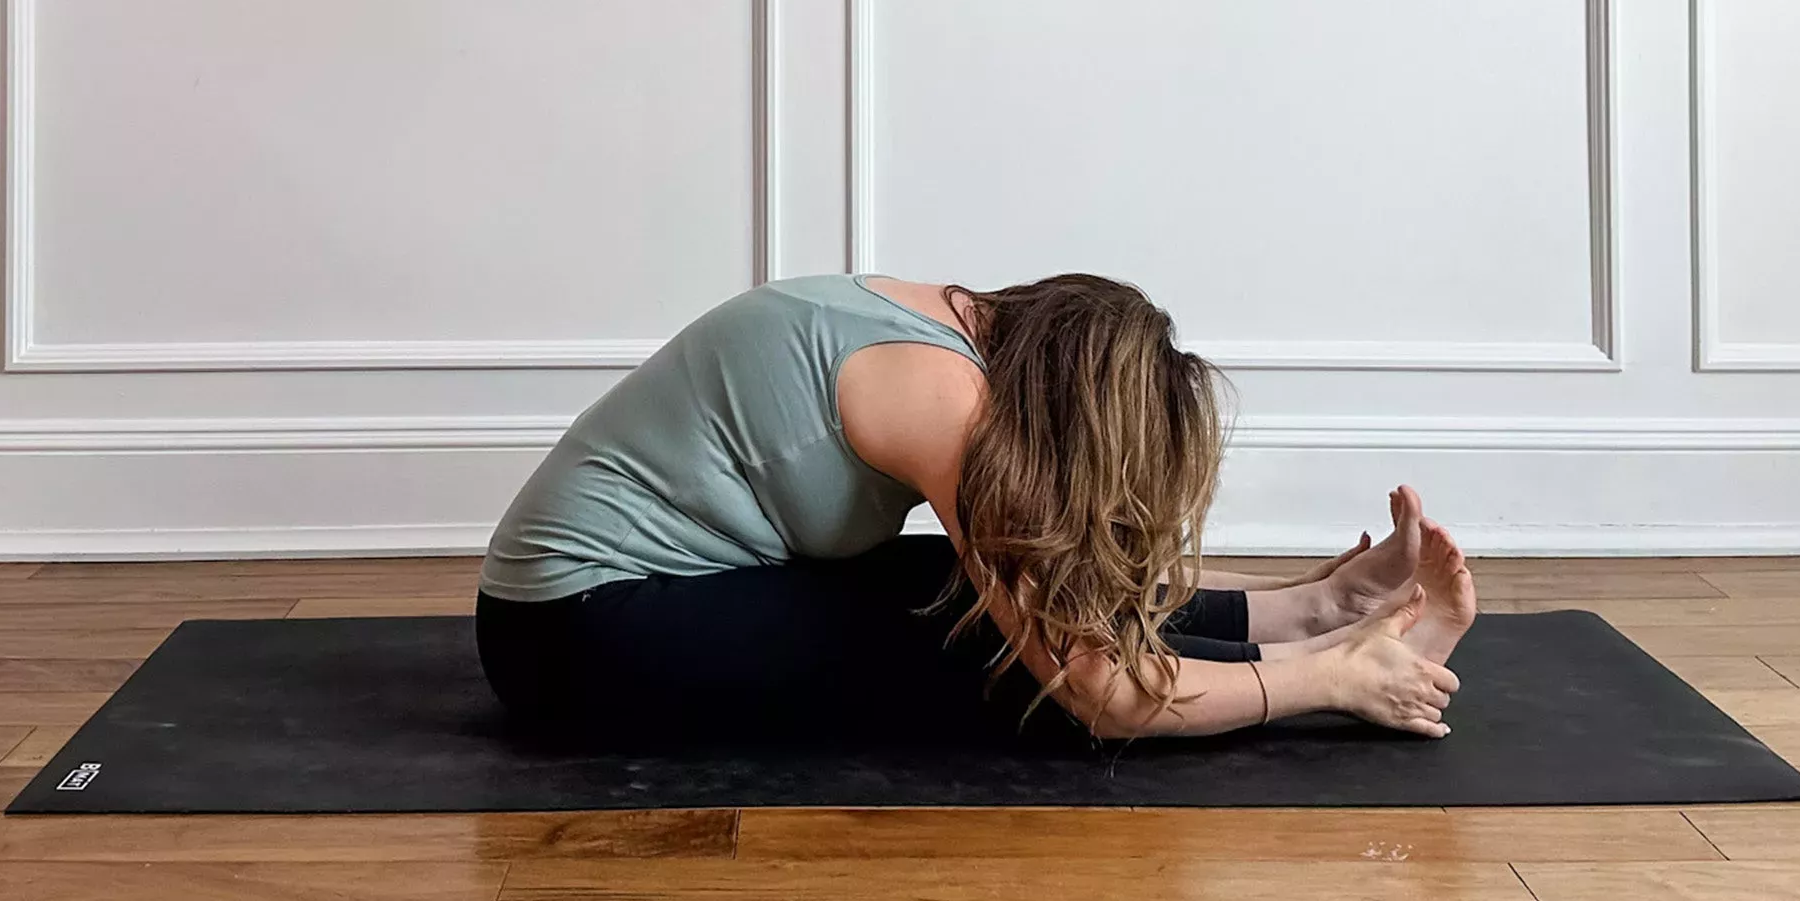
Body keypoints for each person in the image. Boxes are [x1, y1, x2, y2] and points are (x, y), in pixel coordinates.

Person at [475, 272, 1473, 746]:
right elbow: (1107, 695)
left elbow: (1063, 573)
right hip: (570, 635)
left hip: (650, 592)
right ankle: (1336, 656)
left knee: (962, 591)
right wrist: (1327, 688)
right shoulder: (945, 404)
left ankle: (1310, 612)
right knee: (983, 649)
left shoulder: (952, 332)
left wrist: (1314, 605)